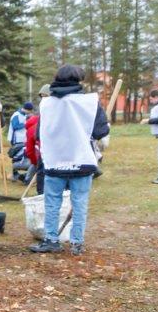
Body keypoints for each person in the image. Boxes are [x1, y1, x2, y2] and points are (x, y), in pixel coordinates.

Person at [29, 66, 109, 256]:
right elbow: (100, 131)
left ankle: (51, 240)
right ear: (79, 79)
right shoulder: (90, 102)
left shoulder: (46, 104)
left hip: (55, 161)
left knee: (52, 202)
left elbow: (39, 133)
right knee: (80, 202)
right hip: (82, 160)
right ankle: (77, 243)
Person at [24, 85, 49, 196]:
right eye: (42, 97)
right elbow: (30, 148)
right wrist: (36, 162)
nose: (44, 100)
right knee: (41, 172)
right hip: (43, 152)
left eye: (46, 96)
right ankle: (41, 193)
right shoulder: (33, 127)